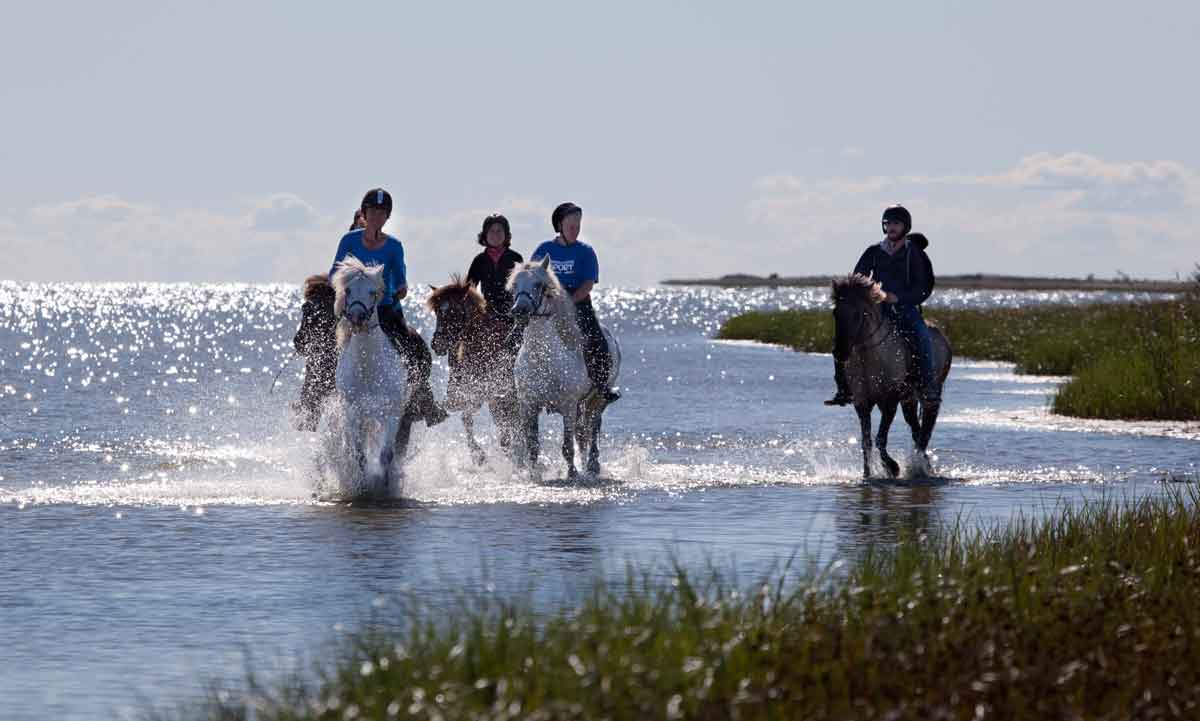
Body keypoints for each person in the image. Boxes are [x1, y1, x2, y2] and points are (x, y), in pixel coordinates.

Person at [328, 188, 447, 426]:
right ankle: (324, 393)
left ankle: (424, 400)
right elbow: (335, 272)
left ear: (387, 217)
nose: (377, 217)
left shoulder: (394, 246)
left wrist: (400, 289)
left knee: (415, 349)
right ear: (364, 212)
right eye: (373, 211)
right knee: (329, 348)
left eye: (382, 213)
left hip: (385, 308)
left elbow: (401, 278)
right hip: (353, 308)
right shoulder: (348, 240)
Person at [825, 204, 937, 406]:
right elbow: (856, 280)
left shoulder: (916, 254)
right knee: (842, 338)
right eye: (888, 223)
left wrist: (899, 298)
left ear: (906, 227)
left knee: (922, 336)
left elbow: (924, 286)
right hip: (875, 309)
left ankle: (927, 386)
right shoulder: (874, 251)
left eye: (896, 223)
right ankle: (843, 389)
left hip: (905, 308)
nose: (892, 227)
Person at [529, 202, 620, 404]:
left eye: (578, 226)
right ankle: (513, 383)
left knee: (597, 339)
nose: (575, 230)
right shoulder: (544, 249)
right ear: (560, 225)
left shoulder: (586, 252)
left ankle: (603, 386)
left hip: (578, 303)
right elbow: (533, 278)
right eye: (571, 225)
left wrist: (567, 301)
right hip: (546, 304)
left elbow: (588, 284)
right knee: (519, 333)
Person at [466, 214, 524, 321]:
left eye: (499, 231)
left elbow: (522, 287)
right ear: (485, 235)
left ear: (506, 235)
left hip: (512, 314)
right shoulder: (479, 260)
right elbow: (469, 290)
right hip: (487, 314)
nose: (495, 234)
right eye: (491, 231)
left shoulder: (516, 258)